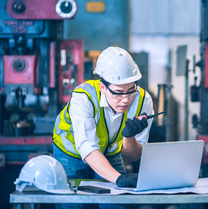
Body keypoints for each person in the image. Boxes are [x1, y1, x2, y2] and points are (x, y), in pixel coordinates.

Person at [52, 46, 154, 207]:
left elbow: (134, 156)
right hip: (70, 153)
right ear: (103, 87)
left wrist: (129, 137)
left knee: (117, 203)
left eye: (130, 90)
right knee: (74, 203)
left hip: (109, 152)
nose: (125, 99)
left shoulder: (143, 101)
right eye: (118, 92)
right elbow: (87, 147)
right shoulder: (83, 97)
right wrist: (118, 178)